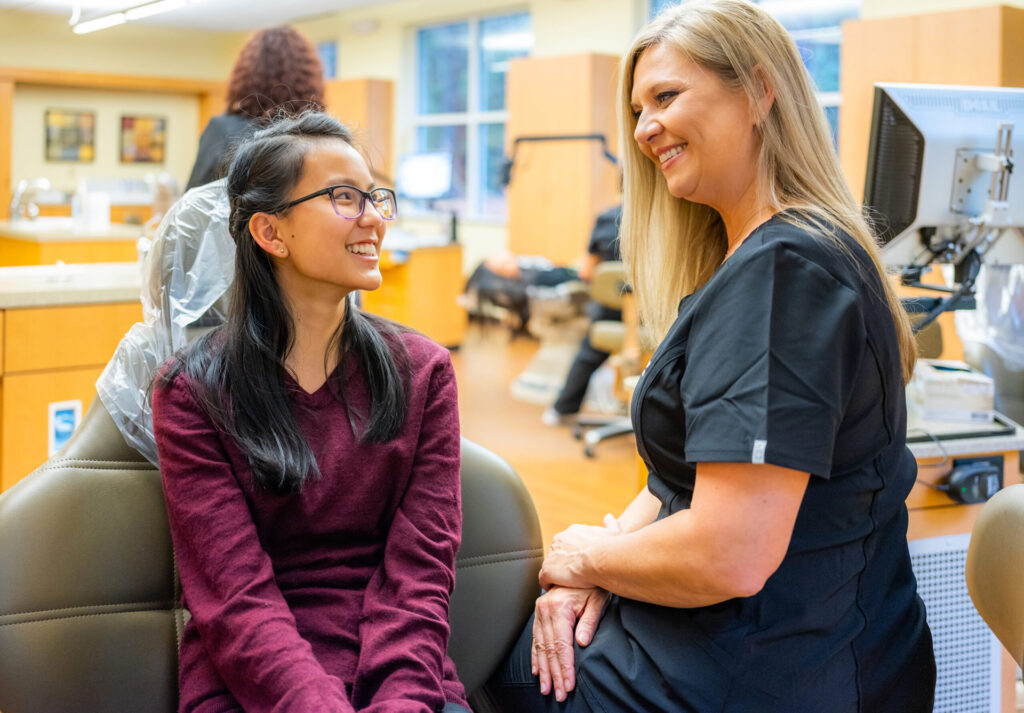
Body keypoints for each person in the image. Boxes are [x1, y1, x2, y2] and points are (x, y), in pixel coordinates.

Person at [485, 1, 936, 711]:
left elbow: (732, 550)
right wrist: (592, 565)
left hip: (778, 667)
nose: (642, 129)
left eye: (666, 96)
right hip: (785, 642)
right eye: (637, 109)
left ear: (760, 92)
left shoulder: (782, 270)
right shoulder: (765, 258)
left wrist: (585, 556)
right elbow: (679, 480)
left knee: (505, 669)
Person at [152, 112, 471, 713]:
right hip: (252, 685)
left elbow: (420, 579)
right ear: (271, 233)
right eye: (345, 198)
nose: (375, 218)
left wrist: (400, 702)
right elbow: (235, 600)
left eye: (376, 197)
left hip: (404, 680)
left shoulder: (424, 372)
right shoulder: (191, 394)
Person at [185, 26, 324, 191]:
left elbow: (193, 201)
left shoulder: (222, 130)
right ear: (309, 80)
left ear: (245, 77)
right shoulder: (319, 139)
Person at [541, 204, 623, 426]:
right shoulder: (666, 214)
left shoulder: (609, 218)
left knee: (588, 354)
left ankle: (563, 408)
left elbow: (585, 272)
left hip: (612, 313)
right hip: (661, 315)